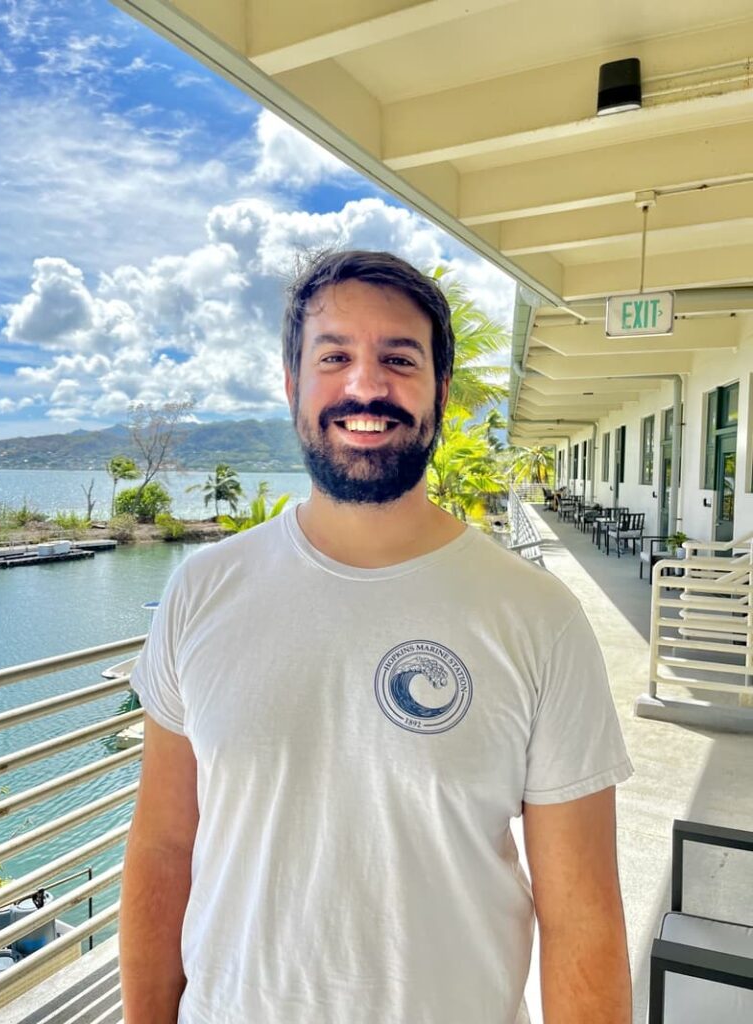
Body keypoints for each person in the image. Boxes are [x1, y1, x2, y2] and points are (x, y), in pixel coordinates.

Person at [120, 250, 633, 1024]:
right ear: (293, 385)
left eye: (399, 358)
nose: (366, 387)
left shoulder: (537, 618)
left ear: (441, 392)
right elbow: (163, 845)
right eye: (335, 357)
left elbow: (583, 919)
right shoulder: (203, 590)